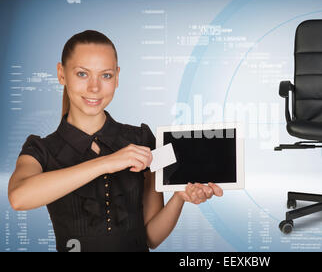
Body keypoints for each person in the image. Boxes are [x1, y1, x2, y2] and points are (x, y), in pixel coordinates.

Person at [7, 30, 223, 252]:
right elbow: (19, 197)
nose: (94, 87)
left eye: (106, 75)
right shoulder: (41, 149)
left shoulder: (141, 140)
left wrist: (179, 198)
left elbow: (151, 238)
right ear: (61, 74)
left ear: (117, 77)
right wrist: (107, 163)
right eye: (82, 74)